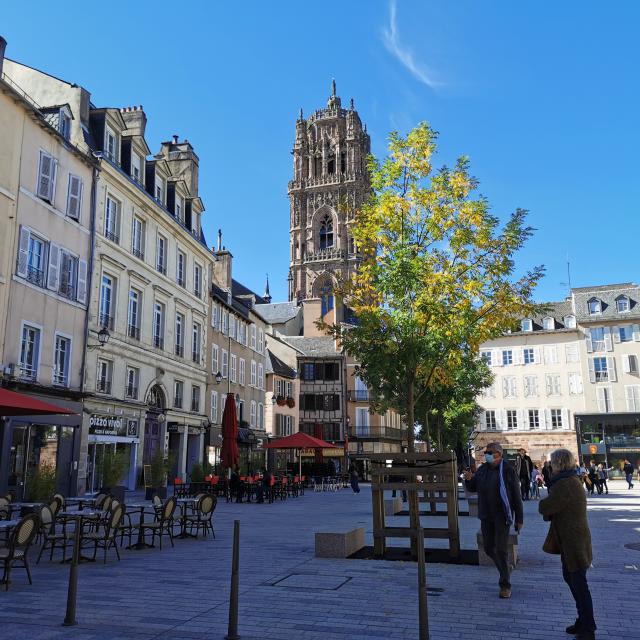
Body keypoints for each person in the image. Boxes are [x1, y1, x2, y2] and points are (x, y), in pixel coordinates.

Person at [539, 448, 596, 640]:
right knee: (572, 579)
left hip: (574, 542)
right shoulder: (569, 481)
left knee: (579, 584)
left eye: (552, 462)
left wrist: (543, 504)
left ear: (558, 463)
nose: (550, 466)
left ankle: (588, 629)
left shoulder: (565, 484)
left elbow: (546, 507)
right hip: (571, 540)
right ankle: (583, 620)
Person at [464, 442, 523, 599]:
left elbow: (517, 496)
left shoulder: (508, 471)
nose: (487, 455)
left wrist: (519, 518)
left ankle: (505, 584)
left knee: (502, 549)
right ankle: (505, 568)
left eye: (490, 453)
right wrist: (469, 479)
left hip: (502, 516)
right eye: (486, 453)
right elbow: (473, 487)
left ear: (499, 454)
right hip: (486, 515)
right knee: (489, 548)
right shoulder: (483, 470)